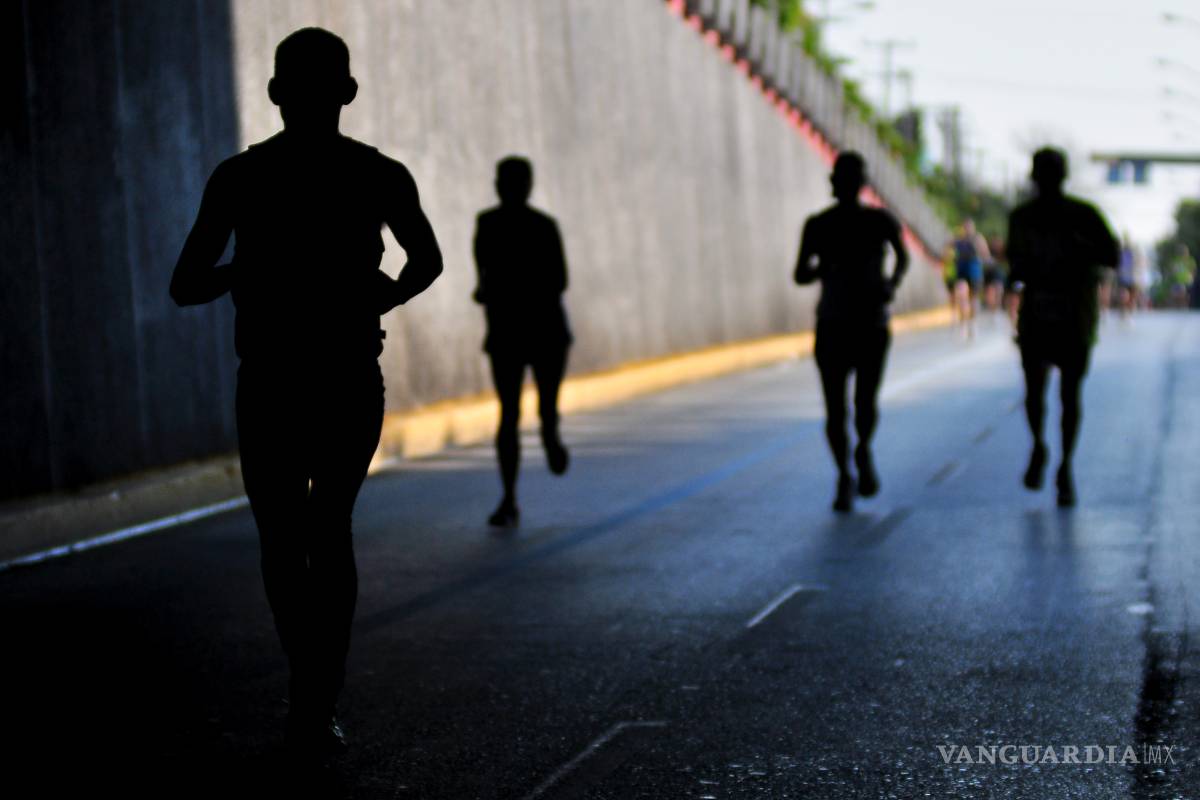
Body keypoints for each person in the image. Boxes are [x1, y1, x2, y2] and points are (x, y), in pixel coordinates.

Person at [170, 28, 443, 754]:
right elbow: (429, 260)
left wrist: (247, 273)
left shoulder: (238, 178)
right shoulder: (379, 174)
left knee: (284, 540)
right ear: (347, 93)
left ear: (273, 94)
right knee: (330, 530)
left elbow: (185, 283)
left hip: (268, 380)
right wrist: (377, 299)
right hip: (351, 374)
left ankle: (308, 690)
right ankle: (319, 696)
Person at [794, 152, 908, 513]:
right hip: (844, 324)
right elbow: (801, 274)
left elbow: (902, 257)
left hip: (861, 323)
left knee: (851, 407)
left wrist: (890, 282)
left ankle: (855, 459)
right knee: (847, 407)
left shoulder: (875, 221)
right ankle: (847, 470)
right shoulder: (821, 225)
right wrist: (827, 268)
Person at [1006, 147, 1117, 507]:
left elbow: (1111, 255)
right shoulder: (1022, 218)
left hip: (1072, 317)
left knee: (1064, 395)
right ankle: (1043, 449)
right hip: (1042, 315)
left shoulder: (1082, 216)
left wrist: (1075, 249)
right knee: (1043, 393)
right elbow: (1015, 263)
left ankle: (1063, 464)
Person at [473, 157, 571, 527]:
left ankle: (511, 496)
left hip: (514, 330)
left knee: (511, 415)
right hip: (541, 330)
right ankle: (515, 487)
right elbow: (559, 281)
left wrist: (496, 294)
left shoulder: (489, 224)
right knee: (522, 412)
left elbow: (484, 278)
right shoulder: (542, 226)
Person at [951, 218, 991, 339]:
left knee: (973, 299)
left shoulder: (978, 238)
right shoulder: (958, 239)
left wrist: (982, 258)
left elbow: (986, 254)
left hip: (974, 271)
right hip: (962, 270)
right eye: (965, 226)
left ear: (973, 227)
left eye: (969, 226)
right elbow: (948, 250)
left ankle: (972, 323)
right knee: (962, 296)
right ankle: (963, 324)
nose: (967, 229)